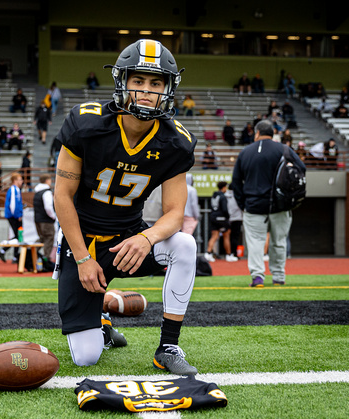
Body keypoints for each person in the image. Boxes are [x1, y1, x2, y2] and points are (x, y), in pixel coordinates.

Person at [54, 39, 198, 375]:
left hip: (129, 238)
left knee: (185, 245)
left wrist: (147, 238)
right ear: (122, 82)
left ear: (168, 88)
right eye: (139, 81)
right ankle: (101, 322)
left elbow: (176, 213)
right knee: (85, 357)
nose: (147, 90)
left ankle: (168, 346)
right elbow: (62, 197)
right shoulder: (86, 124)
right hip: (84, 241)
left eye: (156, 83)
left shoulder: (175, 141)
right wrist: (83, 259)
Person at [231, 120, 306, 287]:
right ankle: (278, 277)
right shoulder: (284, 149)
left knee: (255, 242)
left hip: (254, 205)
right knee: (279, 242)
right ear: (273, 134)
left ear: (256, 133)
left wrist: (243, 203)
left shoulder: (245, 152)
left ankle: (258, 277)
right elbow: (301, 168)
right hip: (280, 205)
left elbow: (236, 182)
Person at [204, 181, 238, 262]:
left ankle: (208, 253)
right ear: (223, 187)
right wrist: (227, 217)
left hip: (213, 217)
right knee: (227, 235)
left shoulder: (214, 195)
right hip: (222, 218)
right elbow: (225, 209)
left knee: (214, 236)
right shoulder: (222, 197)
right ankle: (229, 255)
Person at [0, 172, 24, 263]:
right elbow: (12, 205)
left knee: (18, 236)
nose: (22, 181)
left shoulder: (16, 190)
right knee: (17, 236)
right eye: (20, 179)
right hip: (14, 216)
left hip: (14, 216)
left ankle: (14, 256)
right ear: (15, 180)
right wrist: (18, 215)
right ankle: (5, 251)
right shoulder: (14, 190)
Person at [33, 174, 57, 272]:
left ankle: (31, 255)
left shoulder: (37, 192)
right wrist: (54, 216)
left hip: (37, 219)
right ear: (47, 180)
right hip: (46, 220)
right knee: (49, 238)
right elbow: (48, 207)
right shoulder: (46, 192)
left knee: (42, 238)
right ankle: (46, 260)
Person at [226, 183, 243, 260]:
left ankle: (228, 253)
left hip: (227, 218)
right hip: (237, 218)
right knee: (235, 237)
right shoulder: (237, 195)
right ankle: (234, 253)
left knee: (226, 236)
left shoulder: (225, 195)